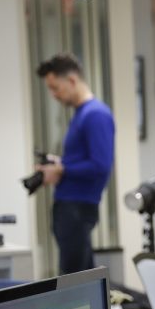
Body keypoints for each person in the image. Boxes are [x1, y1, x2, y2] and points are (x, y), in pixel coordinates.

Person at [35, 52, 115, 274]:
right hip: (70, 208)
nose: (54, 95)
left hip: (78, 209)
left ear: (72, 80)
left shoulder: (95, 115)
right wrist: (60, 164)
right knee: (82, 276)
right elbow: (83, 160)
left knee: (74, 279)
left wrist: (62, 169)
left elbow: (100, 165)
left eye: (55, 88)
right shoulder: (82, 114)